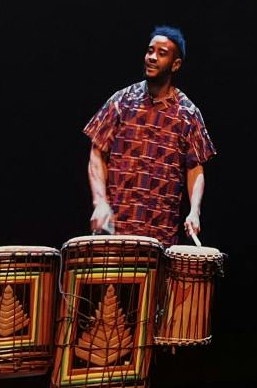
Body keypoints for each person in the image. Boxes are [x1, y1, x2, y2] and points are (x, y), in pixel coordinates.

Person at [84, 26, 214, 246]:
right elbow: (97, 152)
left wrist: (194, 211)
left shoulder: (188, 113)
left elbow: (195, 167)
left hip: (160, 238)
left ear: (176, 64)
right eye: (150, 51)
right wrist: (99, 202)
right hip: (115, 232)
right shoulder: (121, 101)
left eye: (161, 53)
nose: (152, 57)